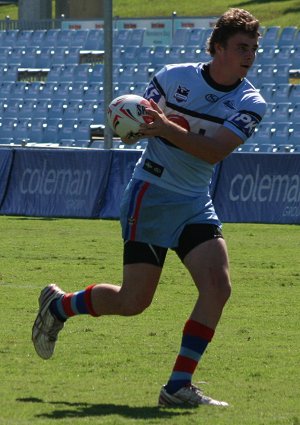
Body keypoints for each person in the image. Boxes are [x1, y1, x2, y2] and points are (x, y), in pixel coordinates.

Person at [32, 8, 266, 407]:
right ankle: (59, 305)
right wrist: (134, 129)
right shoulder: (173, 77)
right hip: (151, 194)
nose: (250, 55)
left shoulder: (250, 101)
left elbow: (213, 152)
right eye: (242, 47)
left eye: (254, 48)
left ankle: (177, 385)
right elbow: (137, 121)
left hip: (194, 201)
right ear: (219, 47)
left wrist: (164, 127)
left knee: (218, 287)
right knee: (132, 302)